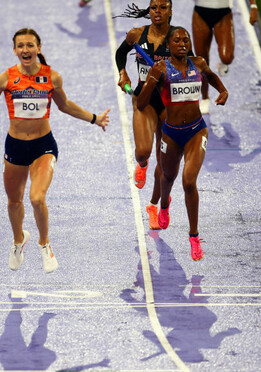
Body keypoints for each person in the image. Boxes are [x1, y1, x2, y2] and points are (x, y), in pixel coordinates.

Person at [0, 28, 110, 273]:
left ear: (39, 48)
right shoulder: (6, 79)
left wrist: (94, 118)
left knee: (36, 198)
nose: (25, 50)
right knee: (14, 202)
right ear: (15, 50)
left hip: (43, 147)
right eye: (21, 46)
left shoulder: (52, 78)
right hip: (14, 147)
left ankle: (45, 244)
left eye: (30, 45)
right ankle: (18, 240)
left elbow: (65, 106)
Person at [136, 26, 228, 260]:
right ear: (169, 45)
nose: (182, 43)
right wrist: (151, 80)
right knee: (167, 177)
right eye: (176, 40)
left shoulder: (198, 63)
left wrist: (223, 90)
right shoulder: (160, 69)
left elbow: (211, 76)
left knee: (189, 182)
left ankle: (194, 237)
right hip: (171, 134)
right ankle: (164, 206)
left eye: (185, 39)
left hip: (197, 131)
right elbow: (141, 104)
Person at [114, 0, 175, 230]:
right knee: (142, 152)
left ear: (170, 11)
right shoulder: (136, 35)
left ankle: (154, 205)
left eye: (162, 7)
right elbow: (121, 53)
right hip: (144, 99)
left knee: (166, 165)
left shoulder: (178, 38)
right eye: (153, 8)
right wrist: (123, 73)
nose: (157, 12)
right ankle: (141, 165)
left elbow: (192, 66)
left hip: (170, 104)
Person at [192, 0, 258, 113]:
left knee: (227, 57)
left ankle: (223, 63)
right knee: (201, 61)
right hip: (200, 13)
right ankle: (205, 98)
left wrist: (253, 7)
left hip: (224, 13)